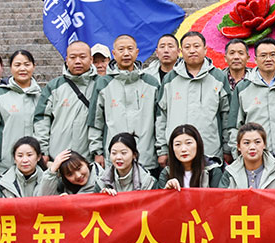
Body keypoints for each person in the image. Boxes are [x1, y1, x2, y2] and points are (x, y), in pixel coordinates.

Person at [230, 38, 275, 178]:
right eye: (263, 55)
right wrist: (237, 154)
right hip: (255, 161)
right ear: (255, 58)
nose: (268, 59)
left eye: (272, 55)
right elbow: (235, 126)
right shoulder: (243, 87)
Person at [156, 31, 232, 165]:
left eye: (196, 46)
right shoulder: (170, 79)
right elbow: (161, 116)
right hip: (177, 153)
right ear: (181, 51)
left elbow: (226, 116)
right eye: (187, 47)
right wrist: (162, 150)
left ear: (205, 49)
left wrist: (227, 148)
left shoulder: (218, 78)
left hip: (210, 152)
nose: (192, 51)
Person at [88, 34, 161, 170]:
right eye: (121, 50)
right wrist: (97, 151)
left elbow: (160, 119)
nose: (126, 53)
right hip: (115, 157)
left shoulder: (151, 82)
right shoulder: (103, 83)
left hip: (146, 155)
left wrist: (162, 150)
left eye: (130, 49)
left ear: (137, 52)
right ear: (114, 54)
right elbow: (95, 120)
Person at [34, 40, 99, 162]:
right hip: (58, 157)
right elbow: (42, 119)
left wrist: (98, 151)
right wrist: (43, 150)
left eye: (83, 57)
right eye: (73, 57)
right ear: (66, 60)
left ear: (91, 60)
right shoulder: (54, 86)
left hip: (89, 158)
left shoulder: (101, 85)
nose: (78, 61)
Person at [0, 50, 41, 175]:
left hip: (36, 165)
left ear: (34, 66)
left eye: (27, 64)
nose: (22, 68)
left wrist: (43, 154)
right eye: (17, 65)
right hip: (6, 165)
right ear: (10, 68)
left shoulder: (41, 95)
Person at [157, 124, 227, 189]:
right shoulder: (166, 173)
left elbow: (218, 199)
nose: (183, 149)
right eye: (178, 144)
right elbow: (161, 201)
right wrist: (167, 191)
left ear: (198, 144)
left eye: (188, 143)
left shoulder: (212, 170)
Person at [225, 122, 275, 189]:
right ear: (239, 147)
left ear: (264, 144)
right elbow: (222, 199)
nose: (252, 147)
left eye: (257, 142)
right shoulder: (230, 172)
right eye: (246, 143)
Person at [38, 149, 104, 195]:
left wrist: (71, 201)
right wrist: (52, 170)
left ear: (86, 162)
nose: (78, 176)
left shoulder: (105, 182)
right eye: (70, 174)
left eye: (79, 168)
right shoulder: (63, 188)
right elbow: (43, 198)